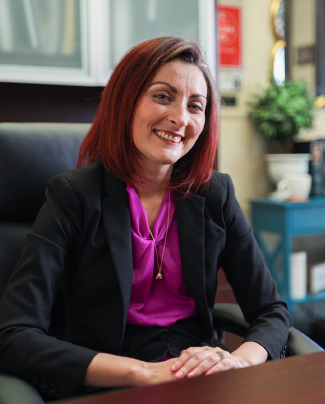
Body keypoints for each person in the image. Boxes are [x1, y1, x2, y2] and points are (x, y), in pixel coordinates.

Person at [0, 37, 290, 401]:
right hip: (108, 380)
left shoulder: (215, 193)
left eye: (196, 106)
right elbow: (15, 333)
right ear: (126, 101)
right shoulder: (73, 196)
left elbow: (271, 310)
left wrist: (239, 361)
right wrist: (144, 373)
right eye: (163, 96)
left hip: (197, 378)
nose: (180, 118)